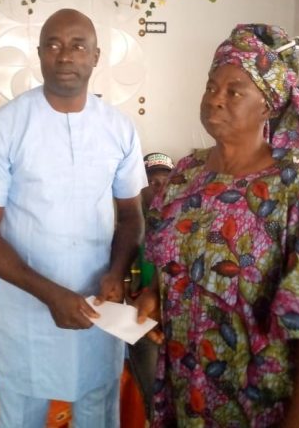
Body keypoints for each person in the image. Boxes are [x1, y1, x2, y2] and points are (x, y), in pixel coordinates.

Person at [136, 23, 299, 427]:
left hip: (261, 398)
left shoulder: (298, 189)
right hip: (188, 387)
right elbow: (174, 264)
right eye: (211, 86)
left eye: (234, 91)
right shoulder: (184, 176)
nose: (215, 98)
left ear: (269, 106)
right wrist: (155, 298)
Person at [0, 8, 147, 428]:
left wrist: (117, 271)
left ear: (96, 56)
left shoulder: (119, 129)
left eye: (78, 46)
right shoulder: (1, 129)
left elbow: (131, 217)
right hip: (26, 306)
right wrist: (50, 295)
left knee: (97, 410)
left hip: (97, 305)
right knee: (21, 413)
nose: (65, 55)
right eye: (54, 45)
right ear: (40, 53)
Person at [128, 152, 175, 420]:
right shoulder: (128, 231)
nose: (159, 187)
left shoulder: (186, 223)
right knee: (156, 402)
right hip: (143, 324)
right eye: (152, 182)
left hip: (179, 322)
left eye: (165, 181)